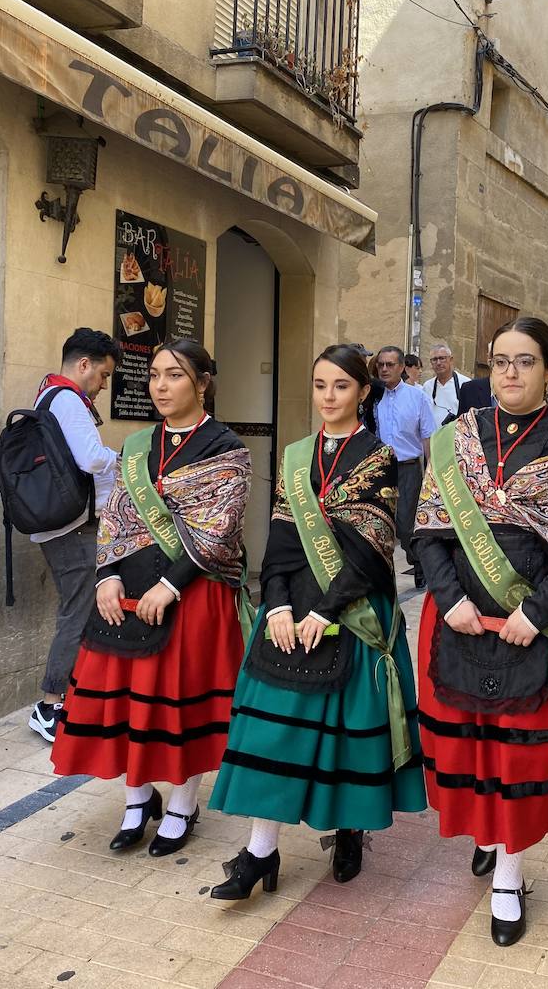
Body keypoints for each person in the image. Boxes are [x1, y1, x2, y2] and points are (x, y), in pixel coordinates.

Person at [412, 316, 548, 948]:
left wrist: (537, 611)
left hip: (539, 622)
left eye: (526, 361)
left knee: (520, 751)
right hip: (461, 617)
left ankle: (509, 873)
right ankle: (486, 831)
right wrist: (447, 597)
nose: (510, 372)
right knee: (473, 743)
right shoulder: (455, 437)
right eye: (501, 360)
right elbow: (428, 529)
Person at [209, 345, 426, 899]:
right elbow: (280, 542)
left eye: (341, 386)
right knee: (272, 729)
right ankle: (261, 852)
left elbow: (372, 552)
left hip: (352, 609)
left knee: (346, 734)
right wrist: (278, 605)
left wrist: (324, 611)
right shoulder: (295, 456)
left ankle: (349, 829)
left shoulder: (380, 457)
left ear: (363, 392)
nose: (328, 397)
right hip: (291, 609)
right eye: (320, 385)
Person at [50, 340, 251, 855]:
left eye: (174, 375)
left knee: (179, 706)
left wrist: (170, 585)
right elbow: (114, 514)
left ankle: (183, 803)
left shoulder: (227, 447)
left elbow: (220, 529)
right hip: (128, 591)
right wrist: (106, 575)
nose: (161, 386)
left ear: (202, 383)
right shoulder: (138, 444)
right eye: (155, 375)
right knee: (128, 702)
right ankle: (137, 800)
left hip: (194, 590)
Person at [27, 329, 123, 743]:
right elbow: (91, 458)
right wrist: (127, 459)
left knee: (84, 608)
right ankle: (49, 705)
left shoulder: (49, 393)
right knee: (79, 610)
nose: (103, 385)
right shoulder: (67, 399)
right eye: (103, 375)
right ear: (84, 365)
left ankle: (76, 695)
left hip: (66, 523)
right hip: (71, 529)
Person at [374, 345, 438, 589]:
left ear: (401, 367)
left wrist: (431, 471)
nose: (384, 369)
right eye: (381, 364)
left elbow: (428, 436)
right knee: (381, 521)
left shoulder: (417, 397)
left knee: (405, 523)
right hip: (380, 469)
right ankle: (381, 571)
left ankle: (418, 562)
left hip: (408, 469)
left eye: (390, 364)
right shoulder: (373, 397)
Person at [422, 343, 467, 425]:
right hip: (433, 432)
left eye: (442, 358)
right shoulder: (427, 386)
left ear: (451, 360)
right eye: (434, 359)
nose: (438, 363)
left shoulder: (465, 384)